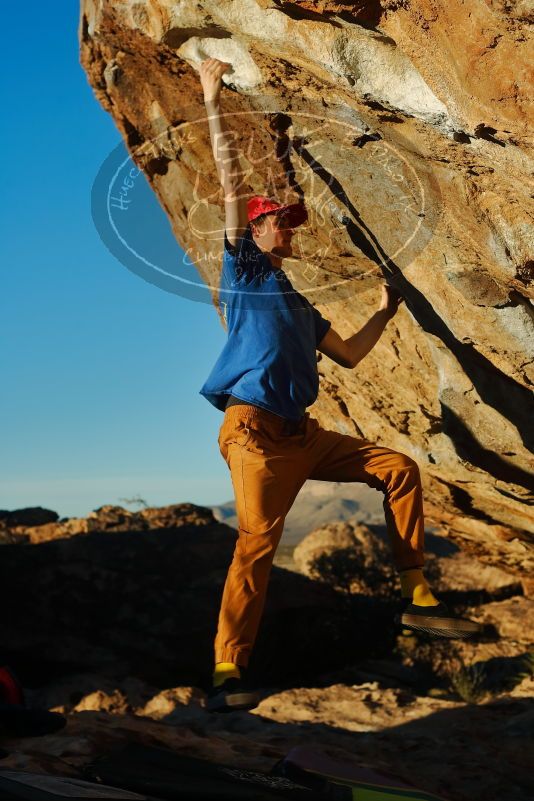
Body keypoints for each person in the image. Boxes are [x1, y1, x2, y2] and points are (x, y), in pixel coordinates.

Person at [197, 58, 480, 713]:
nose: (287, 228)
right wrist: (213, 97)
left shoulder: (299, 301)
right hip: (255, 433)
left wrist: (385, 308)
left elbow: (349, 357)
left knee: (399, 467)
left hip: (305, 434)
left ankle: (418, 593)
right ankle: (226, 668)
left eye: (290, 222)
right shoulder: (246, 271)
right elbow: (229, 180)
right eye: (280, 222)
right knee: (256, 546)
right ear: (258, 229)